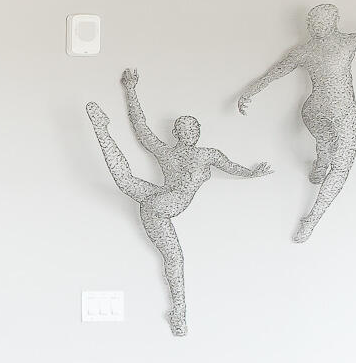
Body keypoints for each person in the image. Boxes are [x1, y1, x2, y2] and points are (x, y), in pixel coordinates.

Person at [88, 68, 271, 336]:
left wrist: (250, 173)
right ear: (177, 132)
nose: (188, 131)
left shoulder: (200, 154)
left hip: (156, 204)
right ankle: (180, 315)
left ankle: (102, 130)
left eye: (192, 127)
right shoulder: (183, 154)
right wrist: (130, 90)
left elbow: (231, 166)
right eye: (183, 128)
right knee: (172, 256)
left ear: (198, 131)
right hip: (165, 205)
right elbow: (141, 128)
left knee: (128, 183)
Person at [237, 4, 356, 241]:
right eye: (312, 23)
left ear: (334, 21)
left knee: (332, 150)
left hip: (322, 111)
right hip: (328, 112)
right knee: (340, 165)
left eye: (318, 22)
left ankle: (319, 176)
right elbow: (273, 73)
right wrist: (248, 92)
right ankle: (313, 209)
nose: (314, 27)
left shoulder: (344, 42)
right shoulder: (314, 49)